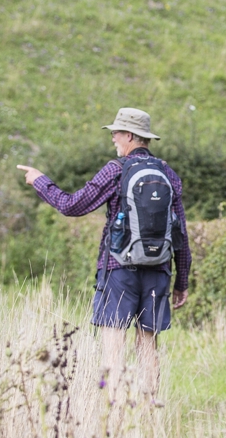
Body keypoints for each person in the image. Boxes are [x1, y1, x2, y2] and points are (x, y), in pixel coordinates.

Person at [18, 107, 190, 398]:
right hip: (159, 271)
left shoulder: (116, 170)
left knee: (114, 347)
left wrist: (40, 181)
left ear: (131, 136)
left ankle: (113, 417)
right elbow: (181, 234)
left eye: (116, 132)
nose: (112, 138)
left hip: (119, 269)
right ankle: (150, 417)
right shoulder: (168, 174)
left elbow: (72, 206)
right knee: (148, 346)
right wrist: (182, 281)